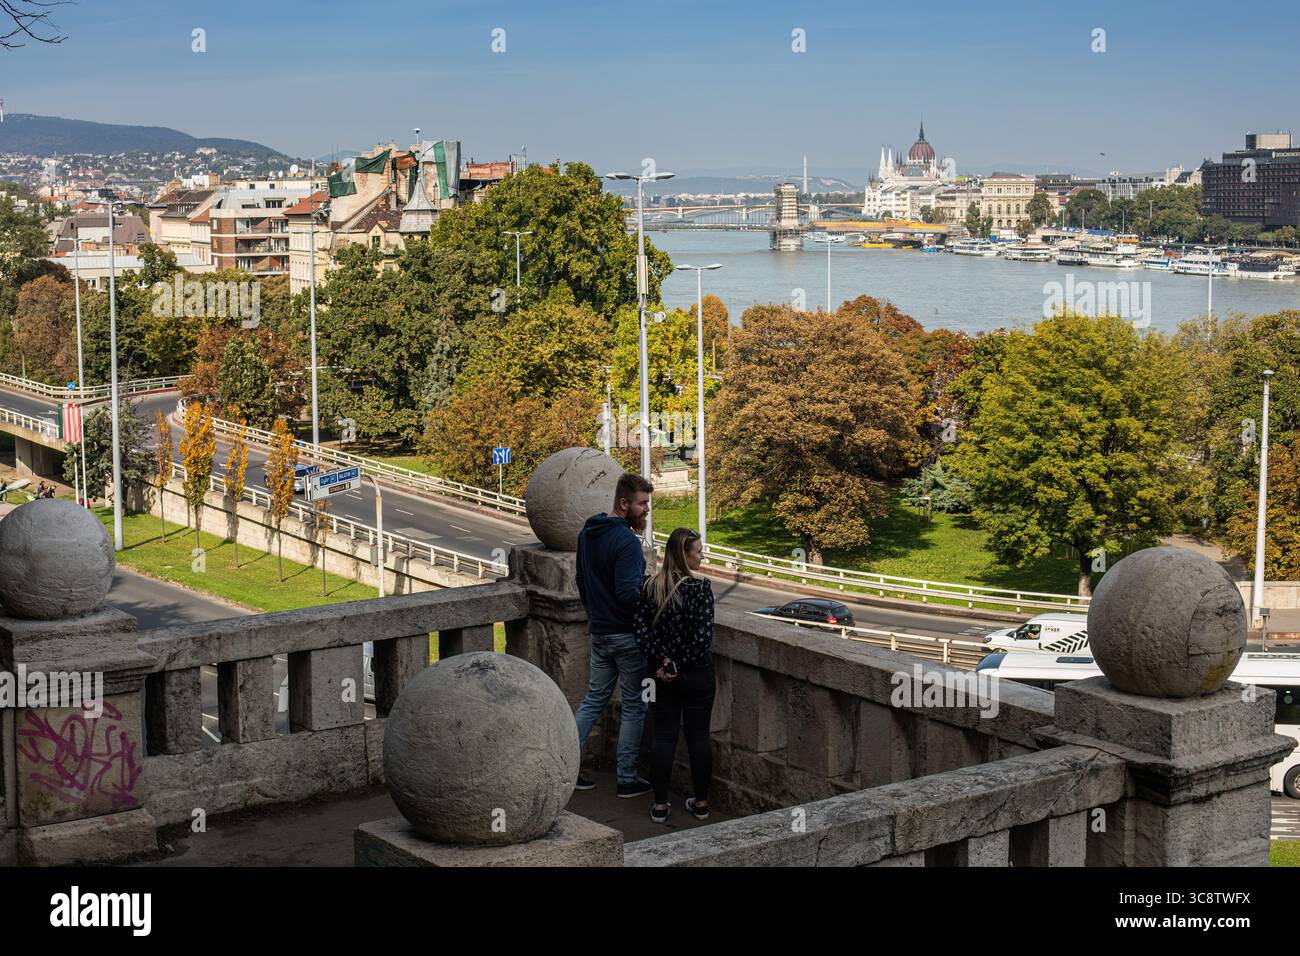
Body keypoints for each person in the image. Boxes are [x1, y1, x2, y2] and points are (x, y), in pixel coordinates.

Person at [573, 471, 655, 798]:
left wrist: (593, 615)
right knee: (634, 706)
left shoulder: (587, 533)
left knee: (593, 700)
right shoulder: (627, 543)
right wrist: (651, 597)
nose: (646, 510)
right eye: (642, 504)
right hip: (626, 635)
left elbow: (581, 581)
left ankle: (568, 768)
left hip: (600, 633)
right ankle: (626, 778)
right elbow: (628, 594)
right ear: (624, 503)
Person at [633, 527, 716, 824]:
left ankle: (659, 804)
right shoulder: (700, 588)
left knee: (663, 736)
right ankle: (702, 803)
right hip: (695, 676)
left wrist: (662, 662)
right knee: (698, 738)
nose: (702, 555)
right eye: (698, 551)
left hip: (657, 676)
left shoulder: (650, 586)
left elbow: (641, 631)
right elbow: (702, 638)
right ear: (684, 554)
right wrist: (677, 664)